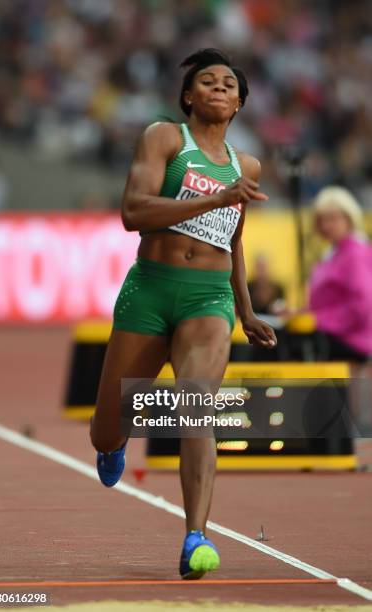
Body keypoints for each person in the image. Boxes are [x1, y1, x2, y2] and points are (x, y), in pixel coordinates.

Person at [90, 48, 277, 580]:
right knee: (105, 430)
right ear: (189, 97)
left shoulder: (249, 166)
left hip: (207, 300)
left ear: (240, 103)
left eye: (229, 84)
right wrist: (217, 197)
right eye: (207, 81)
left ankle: (196, 535)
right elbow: (134, 212)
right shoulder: (165, 138)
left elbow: (234, 243)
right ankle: (116, 441)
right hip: (149, 292)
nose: (219, 87)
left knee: (196, 408)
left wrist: (245, 308)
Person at [309, 186, 372, 363]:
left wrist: (317, 320)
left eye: (332, 218)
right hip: (335, 342)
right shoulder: (332, 254)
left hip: (351, 346)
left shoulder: (354, 254)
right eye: (321, 219)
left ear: (349, 218)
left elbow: (362, 306)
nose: (325, 225)